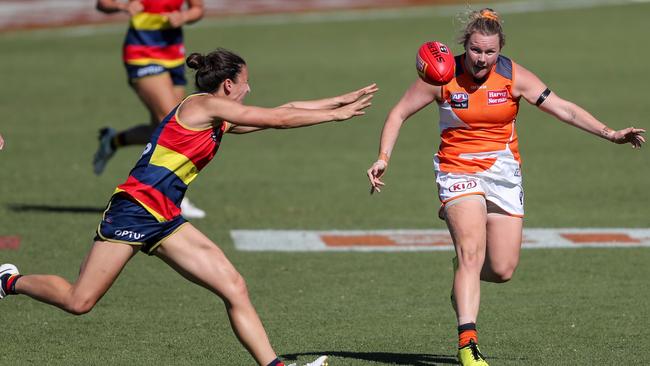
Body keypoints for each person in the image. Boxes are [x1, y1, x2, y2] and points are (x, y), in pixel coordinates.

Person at [1, 48, 377, 366]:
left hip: (165, 218)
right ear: (228, 85)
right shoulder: (203, 107)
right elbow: (278, 119)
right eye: (246, 83)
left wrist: (339, 100)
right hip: (133, 209)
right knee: (79, 300)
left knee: (233, 286)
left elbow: (285, 108)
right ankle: (9, 281)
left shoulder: (219, 117)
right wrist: (334, 116)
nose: (249, 90)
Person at [366, 8, 644, 366]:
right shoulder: (442, 75)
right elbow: (398, 113)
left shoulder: (513, 76)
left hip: (503, 171)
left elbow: (564, 109)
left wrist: (611, 133)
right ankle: (468, 345)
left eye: (489, 52)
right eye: (476, 50)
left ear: (500, 51)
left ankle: (462, 274)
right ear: (464, 46)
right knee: (471, 251)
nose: (482, 59)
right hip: (457, 169)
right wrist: (383, 158)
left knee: (501, 268)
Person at [94, 0, 208, 218]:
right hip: (142, 54)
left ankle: (113, 140)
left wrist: (183, 17)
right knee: (175, 124)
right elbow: (103, 3)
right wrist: (122, 6)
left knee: (162, 127)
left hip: (174, 56)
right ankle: (173, 199)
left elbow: (198, 9)